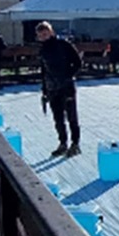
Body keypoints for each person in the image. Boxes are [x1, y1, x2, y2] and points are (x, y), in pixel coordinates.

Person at [36, 21, 83, 156]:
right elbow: (44, 71)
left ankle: (75, 144)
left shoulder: (64, 45)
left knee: (71, 117)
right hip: (52, 88)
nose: (44, 37)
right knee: (58, 119)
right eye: (41, 35)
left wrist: (68, 76)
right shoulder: (43, 50)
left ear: (51, 32)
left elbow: (78, 63)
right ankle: (63, 143)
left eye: (45, 34)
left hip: (66, 86)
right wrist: (44, 90)